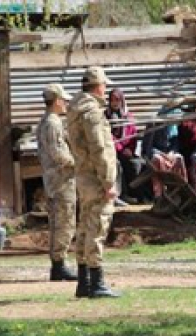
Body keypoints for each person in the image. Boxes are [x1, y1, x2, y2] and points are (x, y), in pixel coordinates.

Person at [67, 66, 121, 298]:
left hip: (82, 176)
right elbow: (99, 148)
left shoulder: (74, 110)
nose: (106, 90)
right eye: (104, 85)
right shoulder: (93, 113)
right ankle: (96, 281)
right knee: (97, 226)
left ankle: (84, 281)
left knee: (84, 226)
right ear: (98, 86)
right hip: (96, 178)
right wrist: (109, 181)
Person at [36, 83, 78, 282]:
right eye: (64, 100)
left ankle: (58, 263)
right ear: (56, 101)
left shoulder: (49, 121)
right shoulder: (52, 123)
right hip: (60, 179)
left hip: (56, 179)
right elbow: (57, 153)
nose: (66, 104)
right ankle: (59, 264)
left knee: (59, 220)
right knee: (64, 221)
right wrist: (77, 162)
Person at [105, 88, 146, 205]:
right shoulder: (105, 116)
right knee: (116, 164)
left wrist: (130, 149)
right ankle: (120, 195)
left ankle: (137, 196)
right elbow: (108, 135)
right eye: (112, 100)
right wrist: (121, 149)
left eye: (117, 100)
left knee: (137, 164)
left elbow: (133, 135)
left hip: (126, 150)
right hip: (111, 150)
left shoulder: (128, 116)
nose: (115, 103)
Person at [141, 97, 188, 199]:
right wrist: (162, 154)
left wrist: (172, 152)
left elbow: (175, 144)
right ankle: (160, 193)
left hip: (169, 154)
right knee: (158, 160)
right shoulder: (154, 123)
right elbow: (147, 146)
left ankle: (179, 190)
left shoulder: (174, 126)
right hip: (156, 153)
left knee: (179, 158)